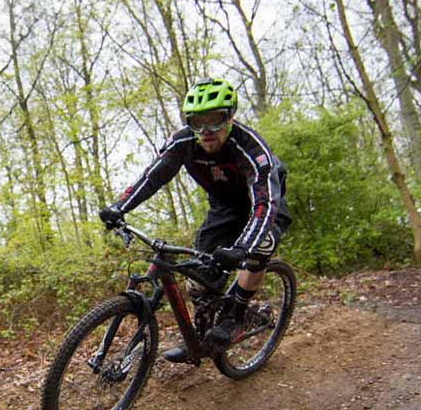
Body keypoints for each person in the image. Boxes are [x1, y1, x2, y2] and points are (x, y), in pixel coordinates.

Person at [98, 78, 291, 363]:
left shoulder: (251, 149)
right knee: (199, 278)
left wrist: (242, 248)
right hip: (224, 209)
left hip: (264, 206)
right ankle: (200, 340)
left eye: (215, 120)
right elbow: (153, 176)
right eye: (197, 122)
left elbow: (265, 203)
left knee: (258, 248)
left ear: (230, 117)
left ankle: (236, 316)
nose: (206, 131)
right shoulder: (184, 142)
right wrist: (119, 207)